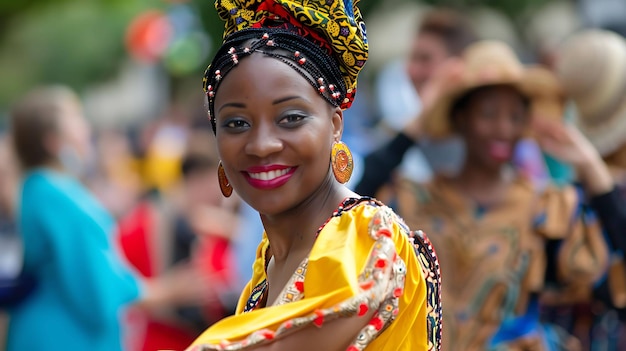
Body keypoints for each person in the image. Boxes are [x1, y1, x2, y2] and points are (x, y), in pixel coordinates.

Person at [185, 0, 442, 350]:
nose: (262, 145)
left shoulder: (365, 236)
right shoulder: (268, 262)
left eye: (291, 117)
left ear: (335, 125)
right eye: (237, 123)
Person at [395, 40, 610, 350]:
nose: (503, 129)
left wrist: (591, 165)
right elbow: (346, 203)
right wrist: (417, 121)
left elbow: (608, 279)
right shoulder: (415, 200)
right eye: (488, 114)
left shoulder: (548, 205)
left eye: (515, 116)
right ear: (460, 118)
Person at [6, 85, 212, 351]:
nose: (85, 128)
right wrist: (166, 291)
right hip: (63, 336)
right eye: (76, 119)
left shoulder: (40, 188)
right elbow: (98, 286)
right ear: (53, 141)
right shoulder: (54, 194)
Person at [355, 7, 478, 198]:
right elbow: (359, 194)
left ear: (458, 66)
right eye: (412, 59)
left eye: (425, 59)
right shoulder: (396, 134)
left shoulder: (482, 135)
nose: (413, 71)